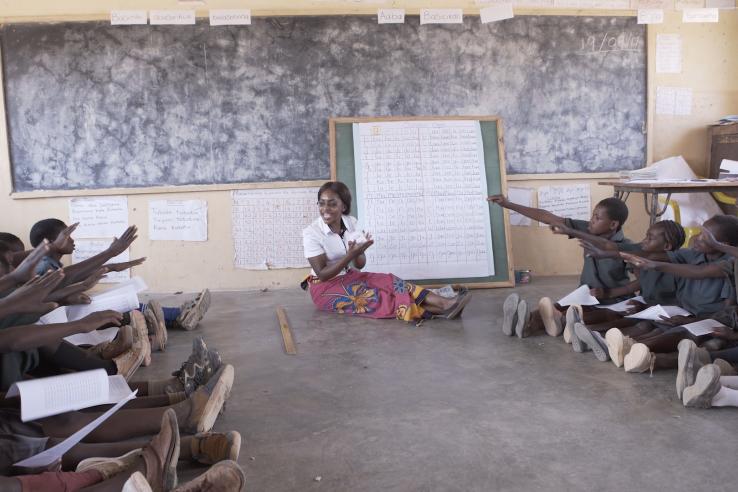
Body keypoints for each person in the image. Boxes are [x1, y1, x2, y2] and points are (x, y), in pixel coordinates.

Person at [302, 181, 471, 323]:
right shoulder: (312, 233)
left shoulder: (350, 222)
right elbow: (323, 275)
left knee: (390, 281)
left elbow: (359, 264)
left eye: (332, 203)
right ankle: (441, 308)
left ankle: (445, 303)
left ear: (343, 206)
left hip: (349, 276)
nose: (325, 209)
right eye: (321, 203)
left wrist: (361, 251)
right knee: (376, 297)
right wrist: (350, 255)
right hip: (324, 288)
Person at [606, 215, 738, 373]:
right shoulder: (695, 255)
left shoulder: (728, 265)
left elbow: (725, 315)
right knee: (654, 323)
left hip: (708, 320)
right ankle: (626, 346)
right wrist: (614, 253)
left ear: (724, 245)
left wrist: (654, 265)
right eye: (700, 232)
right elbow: (655, 257)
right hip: (687, 312)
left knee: (686, 332)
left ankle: (641, 353)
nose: (696, 238)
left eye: (705, 236)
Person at [489, 194, 632, 338]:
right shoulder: (589, 229)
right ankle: (524, 324)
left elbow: (641, 281)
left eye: (597, 218)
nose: (591, 220)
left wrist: (610, 293)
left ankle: (539, 324)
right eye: (593, 215)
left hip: (613, 302)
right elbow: (549, 217)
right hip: (585, 295)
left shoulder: (627, 246)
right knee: (550, 309)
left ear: (613, 224)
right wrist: (508, 205)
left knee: (568, 315)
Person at [551, 220, 686, 362]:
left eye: (650, 238)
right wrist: (609, 293)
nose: (644, 241)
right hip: (647, 306)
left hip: (665, 312)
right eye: (646, 236)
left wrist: (646, 307)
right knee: (615, 312)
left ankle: (607, 343)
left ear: (667, 246)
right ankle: (589, 333)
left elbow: (677, 301)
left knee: (643, 326)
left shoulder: (674, 266)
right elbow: (639, 283)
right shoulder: (643, 259)